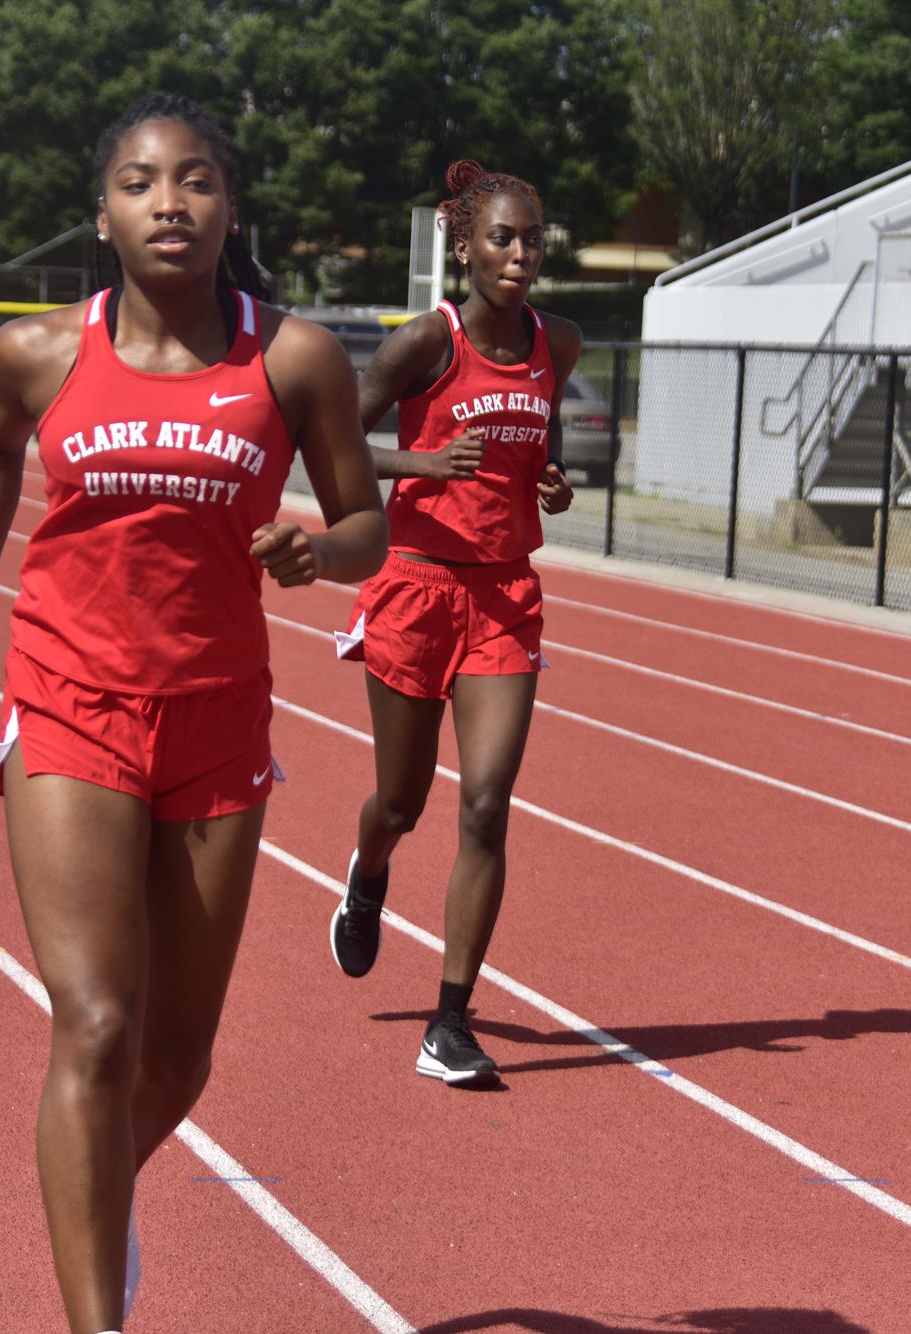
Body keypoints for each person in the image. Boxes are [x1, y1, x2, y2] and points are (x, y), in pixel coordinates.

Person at [0, 94, 386, 1332]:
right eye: (139, 183)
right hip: (70, 699)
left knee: (175, 1062)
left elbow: (366, 521)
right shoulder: (40, 352)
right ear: (103, 212)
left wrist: (317, 548)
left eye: (193, 181)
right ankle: (97, 1318)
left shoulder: (291, 358)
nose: (168, 202)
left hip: (217, 718)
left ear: (228, 208)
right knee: (95, 1018)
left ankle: (90, 1206)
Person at [329, 159, 579, 1086]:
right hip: (415, 585)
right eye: (504, 239)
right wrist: (420, 465)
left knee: (486, 803)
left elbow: (539, 443)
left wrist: (552, 478)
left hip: (504, 597)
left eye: (535, 240)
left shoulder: (561, 340)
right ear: (465, 245)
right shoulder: (419, 347)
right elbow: (338, 439)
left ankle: (449, 1019)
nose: (521, 255)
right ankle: (367, 870)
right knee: (403, 801)